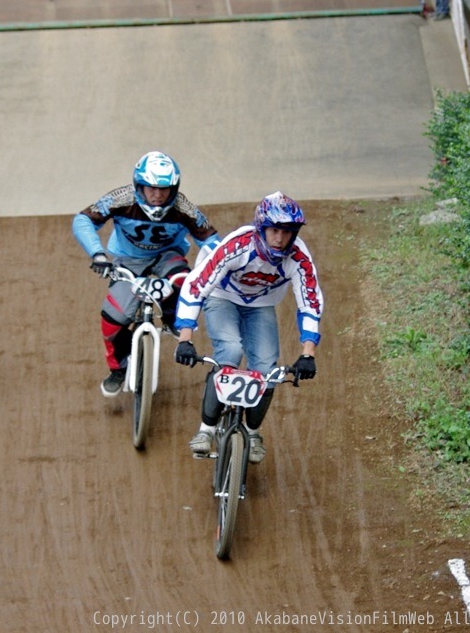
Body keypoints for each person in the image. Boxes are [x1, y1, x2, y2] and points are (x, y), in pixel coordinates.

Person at [173, 192, 323, 465]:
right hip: (222, 296)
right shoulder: (238, 245)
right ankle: (206, 430)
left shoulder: (299, 257)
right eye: (274, 230)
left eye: (287, 232)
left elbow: (309, 302)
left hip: (261, 304)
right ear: (262, 228)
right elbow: (197, 286)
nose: (280, 238)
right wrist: (185, 338)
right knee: (229, 351)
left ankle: (253, 434)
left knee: (267, 370)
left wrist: (308, 354)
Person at [72, 151, 219, 398]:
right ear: (138, 185)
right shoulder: (121, 199)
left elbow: (211, 239)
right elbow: (83, 220)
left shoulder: (184, 207)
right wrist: (97, 254)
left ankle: (174, 316)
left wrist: (216, 264)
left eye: (165, 189)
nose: (158, 195)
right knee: (112, 319)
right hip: (128, 261)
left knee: (184, 278)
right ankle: (118, 368)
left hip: (167, 256)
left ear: (175, 188)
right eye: (150, 188)